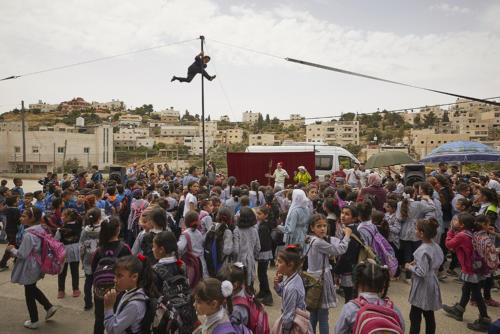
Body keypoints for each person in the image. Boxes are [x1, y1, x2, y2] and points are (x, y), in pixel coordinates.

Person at [8, 207, 58, 329]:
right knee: (31, 287)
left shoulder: (29, 234)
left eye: (24, 216)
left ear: (32, 219)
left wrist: (11, 249)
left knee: (29, 293)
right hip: (39, 263)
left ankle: (34, 320)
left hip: (30, 266)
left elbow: (22, 254)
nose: (21, 218)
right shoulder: (41, 228)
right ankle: (48, 306)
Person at [443, 213, 491, 332]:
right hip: (474, 267)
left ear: (462, 224)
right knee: (466, 289)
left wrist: (451, 230)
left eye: (457, 220)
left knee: (476, 295)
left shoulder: (462, 236)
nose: (455, 221)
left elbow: (448, 244)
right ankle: (458, 310)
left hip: (470, 269)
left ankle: (484, 319)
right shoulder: (470, 232)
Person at [306, 214, 351, 334]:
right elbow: (339, 250)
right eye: (319, 226)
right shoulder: (318, 242)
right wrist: (347, 236)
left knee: (313, 315)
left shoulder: (311, 239)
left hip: (313, 280)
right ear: (312, 228)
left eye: (324, 226)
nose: (322, 229)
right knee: (323, 317)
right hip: (321, 281)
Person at [334, 262, 405, 334]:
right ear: (383, 285)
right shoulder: (393, 309)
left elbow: (339, 331)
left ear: (359, 283)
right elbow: (401, 328)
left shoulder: (350, 308)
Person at [91, 217, 132, 334]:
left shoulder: (99, 250)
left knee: (99, 319)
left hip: (100, 292)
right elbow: (131, 267)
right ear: (118, 229)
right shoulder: (124, 248)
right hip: (119, 291)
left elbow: (93, 271)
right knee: (118, 319)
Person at [102, 255, 159, 334]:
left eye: (119, 276)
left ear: (134, 277)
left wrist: (108, 307)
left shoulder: (134, 305)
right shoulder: (130, 292)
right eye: (115, 275)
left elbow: (113, 330)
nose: (114, 279)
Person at [405, 218, 443, 334]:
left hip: (423, 285)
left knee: (415, 315)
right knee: (429, 313)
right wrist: (418, 263)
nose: (414, 230)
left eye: (416, 229)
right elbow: (438, 260)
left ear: (421, 233)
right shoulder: (435, 246)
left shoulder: (421, 250)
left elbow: (422, 272)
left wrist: (409, 267)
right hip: (432, 281)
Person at [396, 186, 436, 283]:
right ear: (414, 194)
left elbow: (399, 218)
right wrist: (429, 199)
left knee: (407, 254)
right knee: (417, 254)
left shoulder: (400, 204)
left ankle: (408, 276)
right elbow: (432, 207)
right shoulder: (418, 204)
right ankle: (418, 273)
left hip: (404, 231)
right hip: (416, 230)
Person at [274, 244, 311, 334]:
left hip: (294, 326)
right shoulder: (294, 277)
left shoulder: (292, 288)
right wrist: (277, 285)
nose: (276, 264)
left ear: (290, 265)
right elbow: (282, 291)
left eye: (279, 262)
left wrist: (285, 330)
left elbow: (289, 314)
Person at [56, 208, 82, 298]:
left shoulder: (61, 229)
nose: (61, 217)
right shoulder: (79, 226)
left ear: (68, 218)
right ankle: (76, 289)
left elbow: (56, 239)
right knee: (75, 271)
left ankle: (61, 290)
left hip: (64, 252)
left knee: (62, 272)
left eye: (63, 216)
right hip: (75, 251)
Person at [80, 207, 102, 310]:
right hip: (100, 260)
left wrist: (82, 259)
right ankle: (99, 302)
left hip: (88, 259)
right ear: (100, 217)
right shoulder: (103, 230)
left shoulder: (85, 231)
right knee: (98, 282)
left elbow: (81, 246)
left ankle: (87, 303)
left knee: (88, 281)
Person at [233, 207, 261, 287]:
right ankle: (250, 297)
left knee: (240, 284)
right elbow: (258, 247)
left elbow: (236, 250)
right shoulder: (254, 230)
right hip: (250, 260)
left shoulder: (236, 230)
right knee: (249, 283)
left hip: (239, 262)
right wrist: (252, 255)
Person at [255, 205, 275, 306]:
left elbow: (261, 242)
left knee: (262, 274)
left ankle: (268, 294)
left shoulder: (263, 227)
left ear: (266, 215)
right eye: (257, 213)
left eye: (260, 214)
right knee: (261, 273)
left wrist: (257, 251)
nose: (257, 215)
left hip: (263, 252)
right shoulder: (264, 224)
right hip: (265, 251)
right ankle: (262, 291)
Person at [0, 196, 21, 271]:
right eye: (18, 200)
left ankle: (16, 260)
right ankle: (2, 263)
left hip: (9, 230)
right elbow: (18, 221)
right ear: (15, 203)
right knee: (11, 246)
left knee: (17, 244)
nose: (19, 201)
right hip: (14, 231)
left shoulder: (7, 209)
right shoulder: (16, 210)